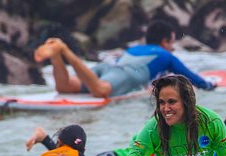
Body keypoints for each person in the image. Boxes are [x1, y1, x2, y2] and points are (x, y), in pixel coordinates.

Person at [34, 20, 216, 98]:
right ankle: (63, 49)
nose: (173, 46)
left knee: (64, 88)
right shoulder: (165, 55)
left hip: (107, 67)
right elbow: (191, 77)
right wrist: (209, 85)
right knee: (100, 90)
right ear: (164, 41)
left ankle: (56, 56)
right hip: (126, 74)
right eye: (172, 41)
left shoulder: (135, 47)